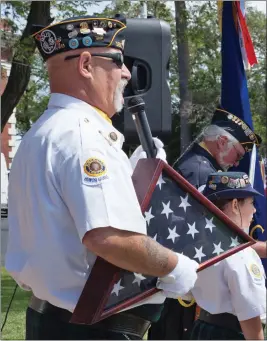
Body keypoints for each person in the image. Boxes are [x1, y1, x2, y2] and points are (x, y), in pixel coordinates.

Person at [5, 15, 199, 340]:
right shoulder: (86, 138)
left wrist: (135, 180)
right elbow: (106, 238)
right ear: (85, 64)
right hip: (96, 329)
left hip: (53, 321)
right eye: (118, 61)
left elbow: (69, 225)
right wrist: (175, 267)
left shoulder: (42, 132)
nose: (125, 73)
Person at [148, 107, 265, 340]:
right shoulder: (201, 173)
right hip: (191, 300)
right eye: (238, 155)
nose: (236, 163)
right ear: (222, 141)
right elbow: (212, 242)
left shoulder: (198, 165)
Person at [190, 171, 266, 340]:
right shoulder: (240, 253)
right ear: (234, 205)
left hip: (202, 330)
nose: (254, 210)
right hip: (230, 334)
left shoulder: (201, 245)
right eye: (251, 203)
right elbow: (249, 312)